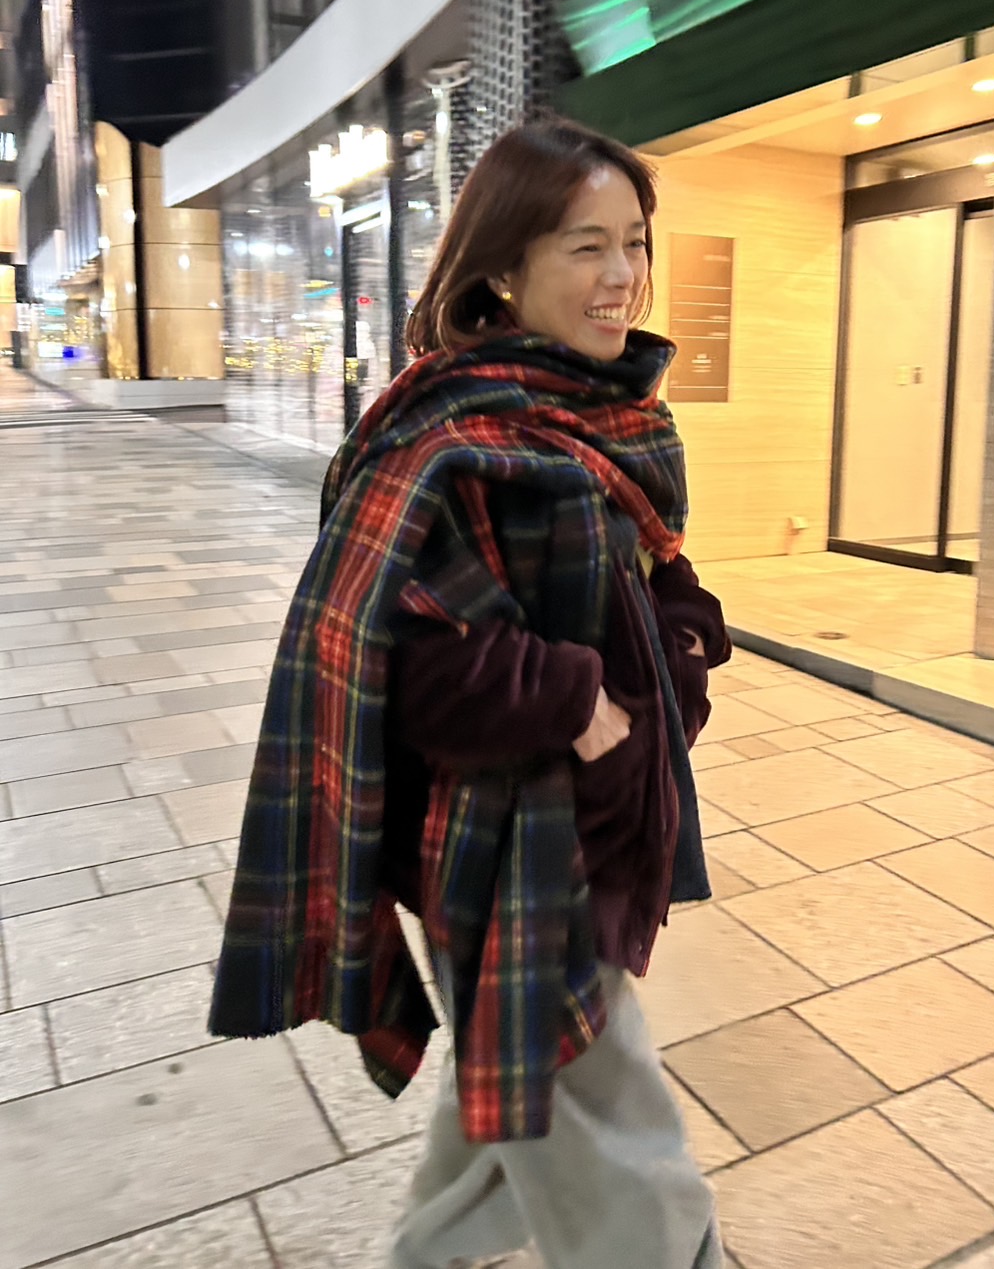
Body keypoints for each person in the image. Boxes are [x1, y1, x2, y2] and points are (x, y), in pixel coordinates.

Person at [209, 117, 732, 1269]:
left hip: (596, 824)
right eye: (585, 245)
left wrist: (684, 633)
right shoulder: (444, 432)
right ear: (503, 266)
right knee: (616, 1124)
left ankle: (428, 1252)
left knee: (514, 1090)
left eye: (635, 241)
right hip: (502, 849)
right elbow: (391, 656)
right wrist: (572, 698)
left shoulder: (606, 408)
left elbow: (651, 562)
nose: (622, 274)